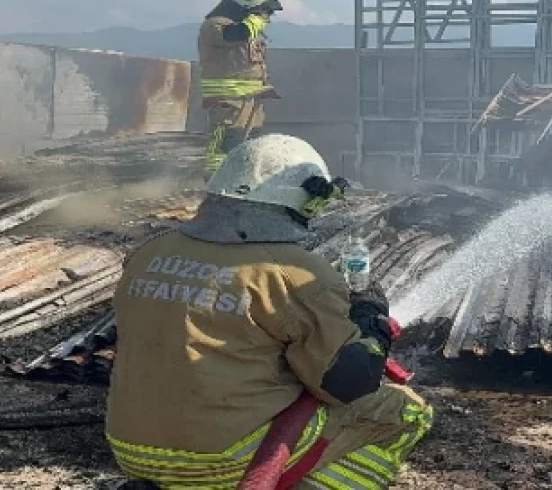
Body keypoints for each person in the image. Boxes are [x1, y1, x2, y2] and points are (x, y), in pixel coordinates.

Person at [104, 133, 433, 489]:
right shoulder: (295, 273)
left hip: (129, 447)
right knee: (405, 411)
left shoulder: (149, 255)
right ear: (303, 203)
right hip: (222, 456)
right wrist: (371, 323)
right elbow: (345, 384)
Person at [197, 0, 285, 176]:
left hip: (250, 102)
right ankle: (214, 185)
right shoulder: (215, 25)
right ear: (245, 4)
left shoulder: (246, 30)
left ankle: (240, 185)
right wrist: (258, 17)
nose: (266, 18)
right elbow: (237, 34)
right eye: (261, 11)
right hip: (228, 103)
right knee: (224, 149)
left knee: (249, 150)